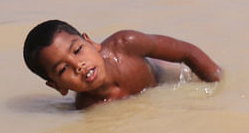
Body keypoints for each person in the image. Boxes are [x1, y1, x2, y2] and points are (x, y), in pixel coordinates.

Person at [23, 20, 222, 109]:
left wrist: (220, 84)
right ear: (58, 86)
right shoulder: (91, 107)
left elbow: (186, 52)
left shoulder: (127, 45)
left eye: (77, 50)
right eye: (63, 69)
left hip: (168, 76)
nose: (79, 65)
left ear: (91, 42)